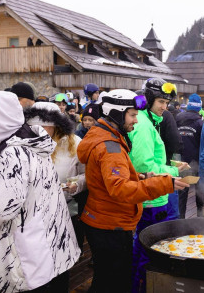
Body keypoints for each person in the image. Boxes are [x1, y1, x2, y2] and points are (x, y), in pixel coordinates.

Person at [0, 90, 80, 292]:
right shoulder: (31, 142)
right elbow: (19, 186)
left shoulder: (13, 152)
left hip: (30, 257)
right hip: (47, 248)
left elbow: (0, 210)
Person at [77, 89, 188, 293]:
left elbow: (112, 178)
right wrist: (164, 185)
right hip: (110, 226)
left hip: (105, 220)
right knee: (113, 283)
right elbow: (119, 189)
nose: (136, 121)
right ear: (117, 113)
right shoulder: (110, 147)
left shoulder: (107, 135)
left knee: (104, 278)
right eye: (133, 115)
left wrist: (144, 177)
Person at [128, 78, 189, 292]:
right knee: (149, 252)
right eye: (161, 101)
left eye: (167, 103)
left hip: (152, 194)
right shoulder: (144, 125)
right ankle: (141, 288)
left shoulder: (146, 119)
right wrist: (173, 171)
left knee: (141, 247)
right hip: (152, 198)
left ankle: (135, 286)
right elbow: (143, 165)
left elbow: (149, 159)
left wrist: (170, 164)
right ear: (149, 99)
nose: (165, 107)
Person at [24, 102, 86, 248]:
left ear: (56, 125)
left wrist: (76, 184)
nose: (37, 130)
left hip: (67, 211)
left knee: (64, 257)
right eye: (32, 126)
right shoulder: (26, 143)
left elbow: (87, 174)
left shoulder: (76, 144)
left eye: (43, 126)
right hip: (34, 213)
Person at [176, 93, 204, 218]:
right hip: (196, 162)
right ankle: (199, 221)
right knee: (199, 193)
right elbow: (202, 144)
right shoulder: (200, 123)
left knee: (181, 193)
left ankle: (180, 221)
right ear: (199, 107)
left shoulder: (177, 119)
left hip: (180, 162)